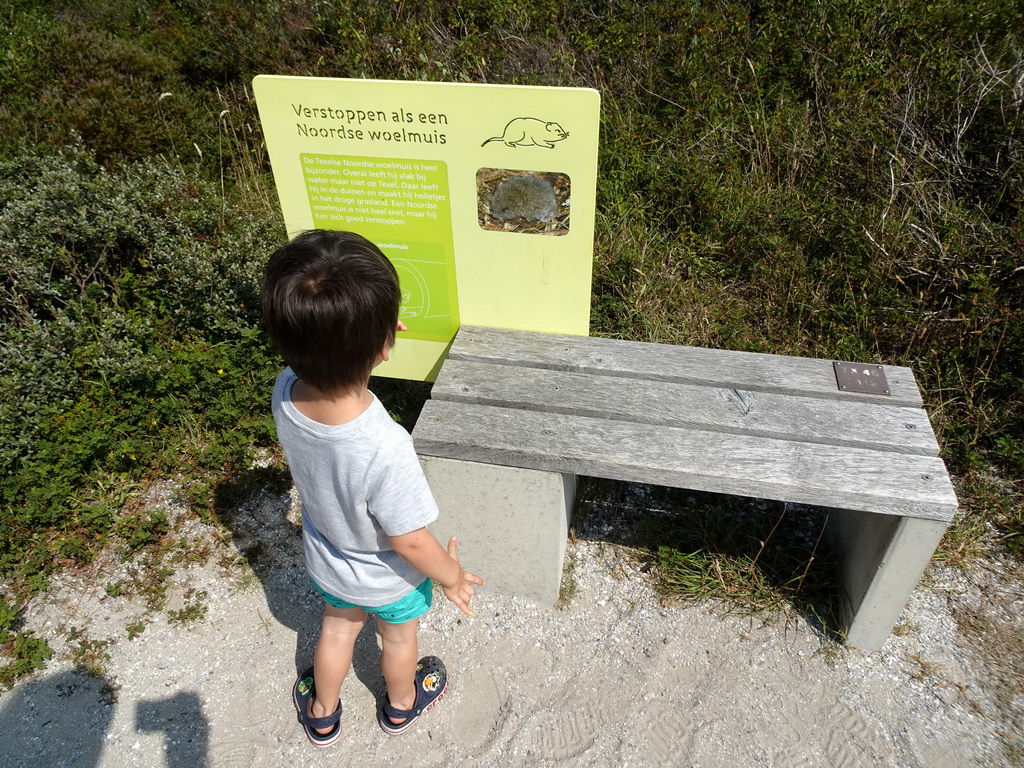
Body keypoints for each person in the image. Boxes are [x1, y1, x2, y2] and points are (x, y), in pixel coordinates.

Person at [261, 229, 484, 747]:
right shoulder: (386, 446)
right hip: (389, 579)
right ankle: (402, 706)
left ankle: (322, 710)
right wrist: (450, 577)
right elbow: (409, 539)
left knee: (337, 629)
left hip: (330, 560)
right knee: (398, 637)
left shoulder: (285, 390)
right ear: (386, 344)